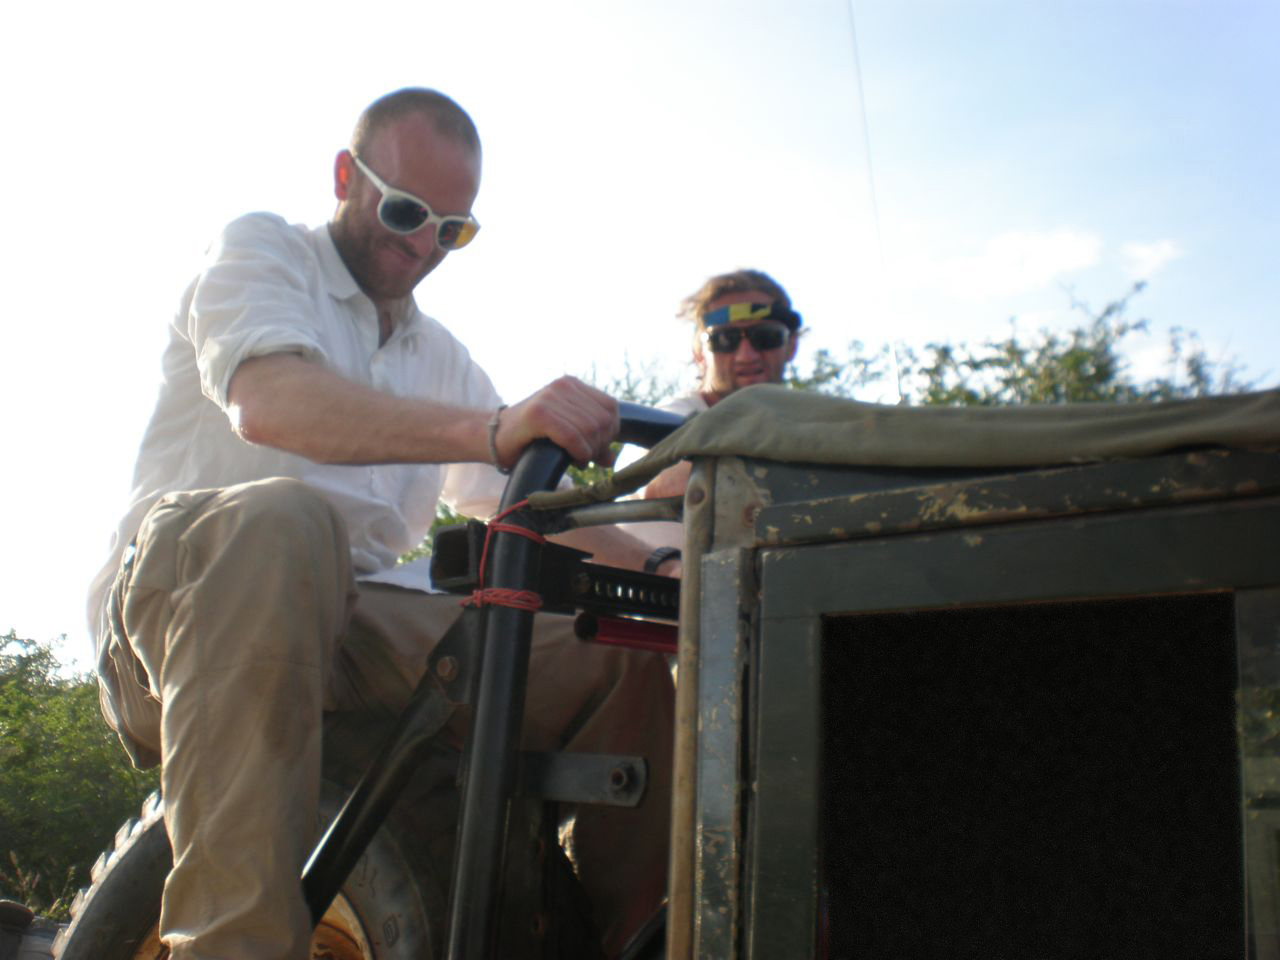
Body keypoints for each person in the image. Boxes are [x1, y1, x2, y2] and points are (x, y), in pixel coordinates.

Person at [87, 88, 671, 960]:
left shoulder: (438, 356)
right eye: (405, 211)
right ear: (343, 177)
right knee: (286, 522)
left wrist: (670, 576)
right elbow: (269, 404)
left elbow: (526, 498)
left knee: (618, 645)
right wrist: (487, 428)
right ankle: (231, 946)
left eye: (452, 230)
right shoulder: (262, 254)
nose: (422, 244)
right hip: (189, 615)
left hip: (350, 625)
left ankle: (653, 933)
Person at [620, 269, 802, 573]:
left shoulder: (800, 427)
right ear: (699, 353)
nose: (746, 355)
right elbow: (656, 477)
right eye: (725, 340)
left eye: (765, 337)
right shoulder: (673, 416)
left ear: (791, 346)